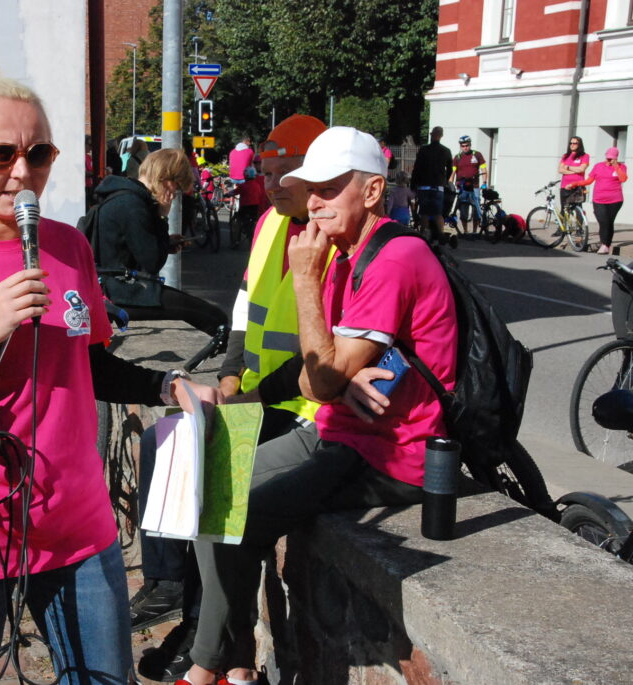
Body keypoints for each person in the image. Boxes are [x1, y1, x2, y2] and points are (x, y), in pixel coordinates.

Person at [0, 63, 223, 684]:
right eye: (1, 154)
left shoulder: (69, 248)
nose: (22, 173)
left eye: (39, 154)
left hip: (77, 528)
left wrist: (164, 385)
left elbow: (86, 364)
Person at [179, 127, 458, 685]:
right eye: (311, 190)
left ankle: (208, 669)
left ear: (373, 191)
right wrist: (333, 378)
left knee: (233, 514)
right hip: (340, 430)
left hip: (391, 453)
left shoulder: (394, 256)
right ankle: (236, 665)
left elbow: (322, 378)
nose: (314, 203)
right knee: (210, 487)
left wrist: (307, 284)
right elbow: (316, 378)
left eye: (330, 189)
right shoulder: (345, 253)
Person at [133, 115, 329, 683]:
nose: (271, 183)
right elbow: (245, 309)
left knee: (215, 487)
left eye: (284, 172)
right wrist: (228, 376)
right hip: (261, 398)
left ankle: (214, 649)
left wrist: (249, 397)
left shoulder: (328, 237)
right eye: (265, 172)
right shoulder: (269, 223)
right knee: (162, 443)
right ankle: (170, 588)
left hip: (304, 410)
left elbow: (324, 354)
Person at [88, 148, 229, 341]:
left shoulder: (123, 195)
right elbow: (152, 263)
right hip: (121, 292)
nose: (175, 194)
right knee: (216, 318)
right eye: (177, 187)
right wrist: (163, 216)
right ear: (166, 179)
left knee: (203, 312)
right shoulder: (133, 205)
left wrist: (166, 243)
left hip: (109, 285)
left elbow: (131, 246)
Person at [566, 146, 627, 254]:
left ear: (616, 158)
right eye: (608, 158)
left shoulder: (621, 167)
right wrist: (575, 183)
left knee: (609, 222)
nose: (609, 160)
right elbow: (589, 180)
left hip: (615, 200)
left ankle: (605, 245)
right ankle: (604, 244)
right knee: (603, 221)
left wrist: (616, 166)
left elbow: (623, 179)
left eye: (611, 158)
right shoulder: (598, 166)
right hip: (599, 199)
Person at [410, 126, 454, 245]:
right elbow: (450, 169)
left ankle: (424, 234)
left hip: (424, 185)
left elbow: (417, 168)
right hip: (438, 186)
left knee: (424, 212)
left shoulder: (424, 150)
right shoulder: (446, 151)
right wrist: (445, 181)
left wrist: (413, 183)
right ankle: (440, 234)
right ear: (441, 136)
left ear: (431, 135)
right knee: (438, 213)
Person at [450, 134, 487, 234]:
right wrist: (450, 184)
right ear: (460, 146)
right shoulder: (457, 157)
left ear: (470, 144)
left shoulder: (477, 155)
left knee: (476, 210)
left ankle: (474, 232)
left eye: (467, 145)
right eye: (463, 146)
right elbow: (453, 172)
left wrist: (484, 182)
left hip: (475, 187)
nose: (465, 147)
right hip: (462, 188)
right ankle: (465, 231)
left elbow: (484, 169)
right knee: (463, 210)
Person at [558, 135, 590, 210]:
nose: (572, 145)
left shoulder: (584, 156)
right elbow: (560, 170)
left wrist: (568, 167)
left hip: (578, 187)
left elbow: (581, 169)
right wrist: (574, 171)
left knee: (578, 208)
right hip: (565, 186)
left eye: (575, 143)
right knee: (564, 209)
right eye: (571, 143)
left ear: (579, 144)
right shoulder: (565, 156)